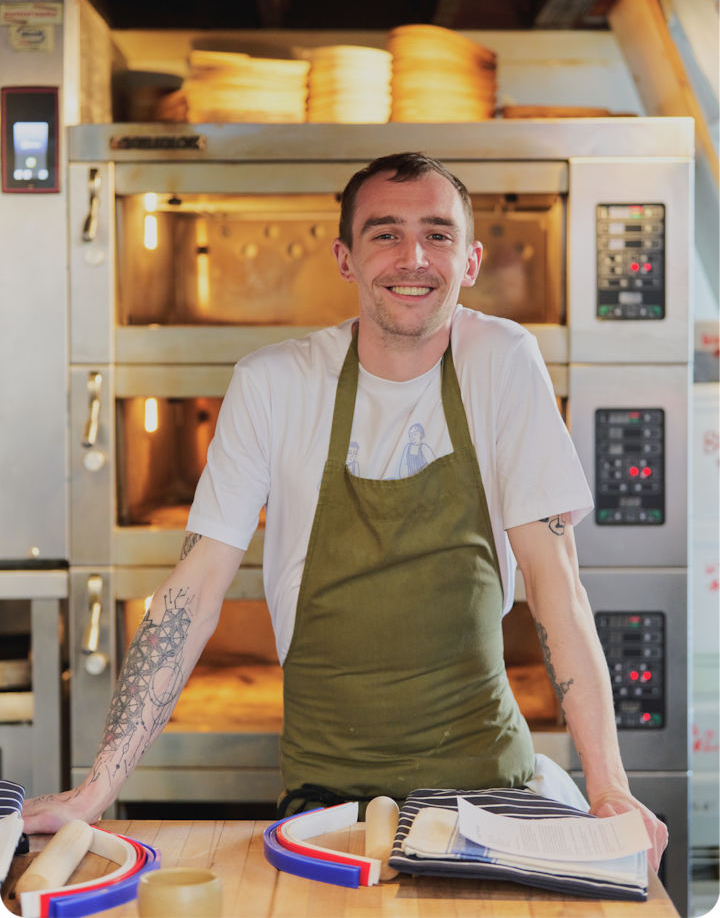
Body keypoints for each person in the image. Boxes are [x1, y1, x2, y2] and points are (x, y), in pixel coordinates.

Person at [23, 152, 667, 870]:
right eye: (385, 233)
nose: (413, 257)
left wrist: (609, 787)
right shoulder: (274, 384)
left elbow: (557, 586)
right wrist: (95, 789)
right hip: (325, 800)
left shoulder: (503, 362)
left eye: (438, 234)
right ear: (345, 258)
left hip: (489, 790)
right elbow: (192, 593)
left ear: (473, 259)